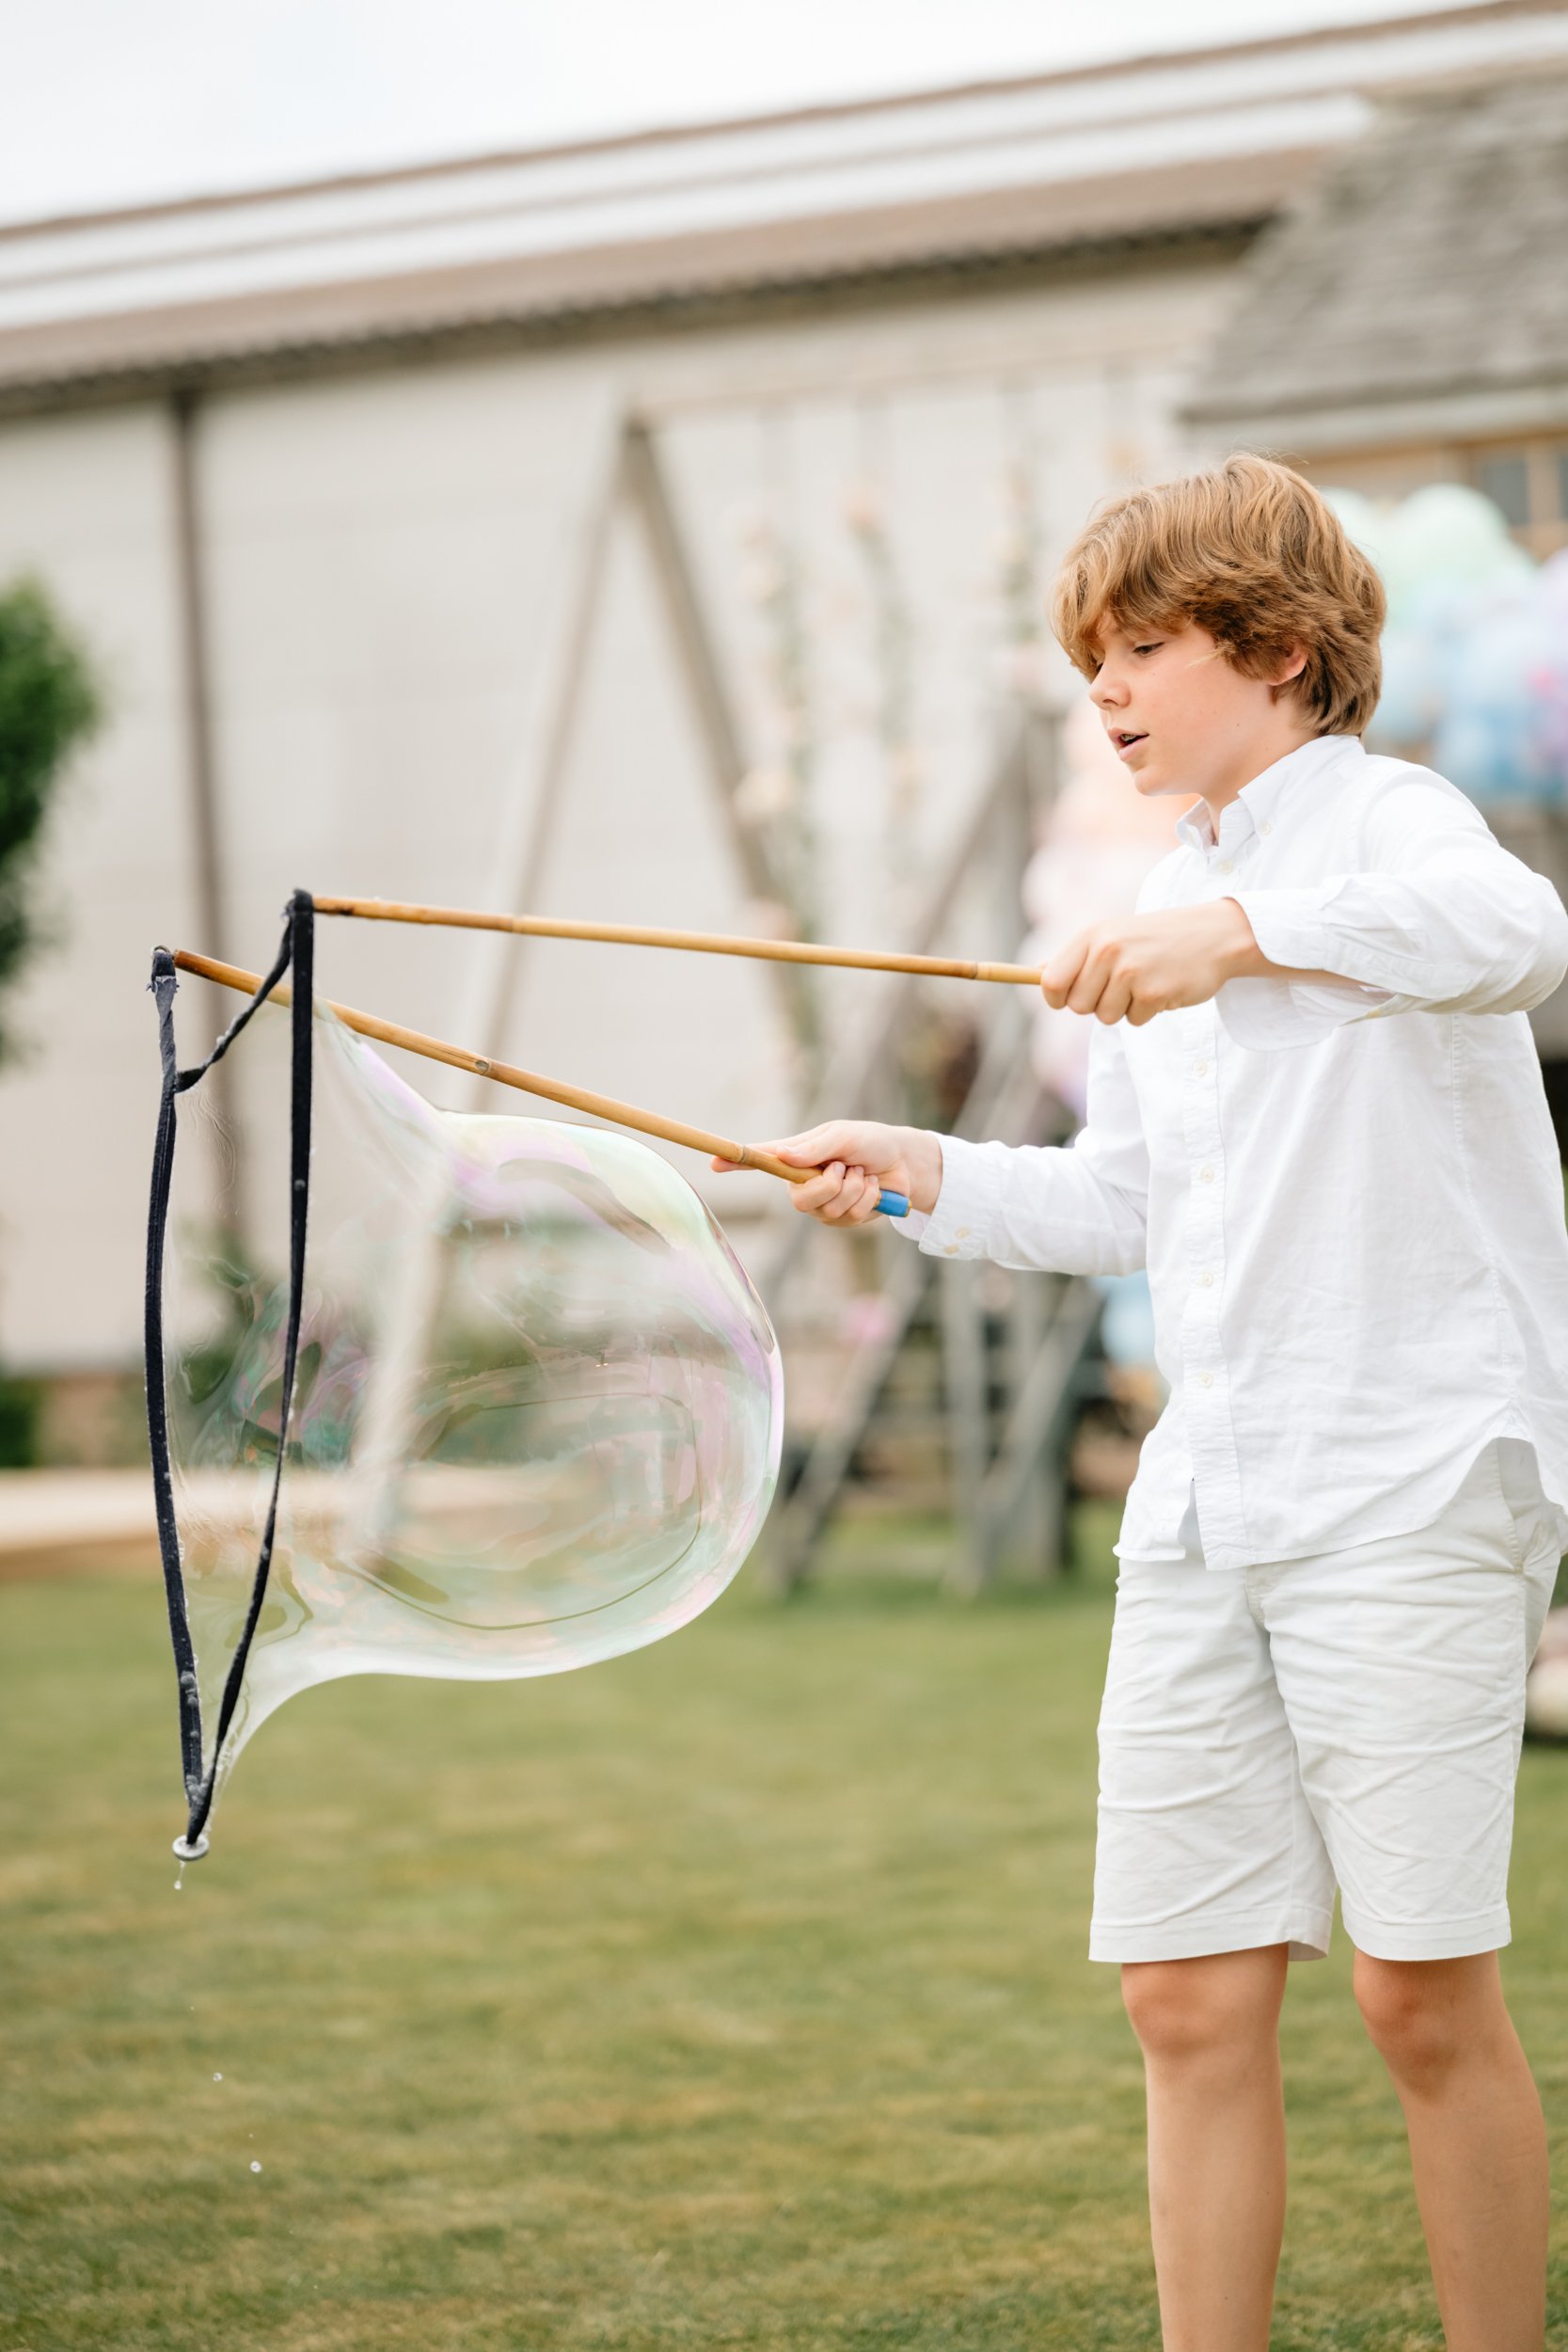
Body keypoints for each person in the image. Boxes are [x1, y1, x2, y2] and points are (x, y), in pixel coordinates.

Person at [712, 454, 1568, 2352]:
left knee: (1419, 1996)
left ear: (1276, 650)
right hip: (1214, 1498)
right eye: (1090, 655)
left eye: (1141, 647)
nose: (1104, 688)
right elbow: (1123, 1207)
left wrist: (1246, 938)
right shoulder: (1173, 892)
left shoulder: (1388, 822)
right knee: (1182, 1994)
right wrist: (913, 1166)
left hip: (1417, 1476)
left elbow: (1525, 940)